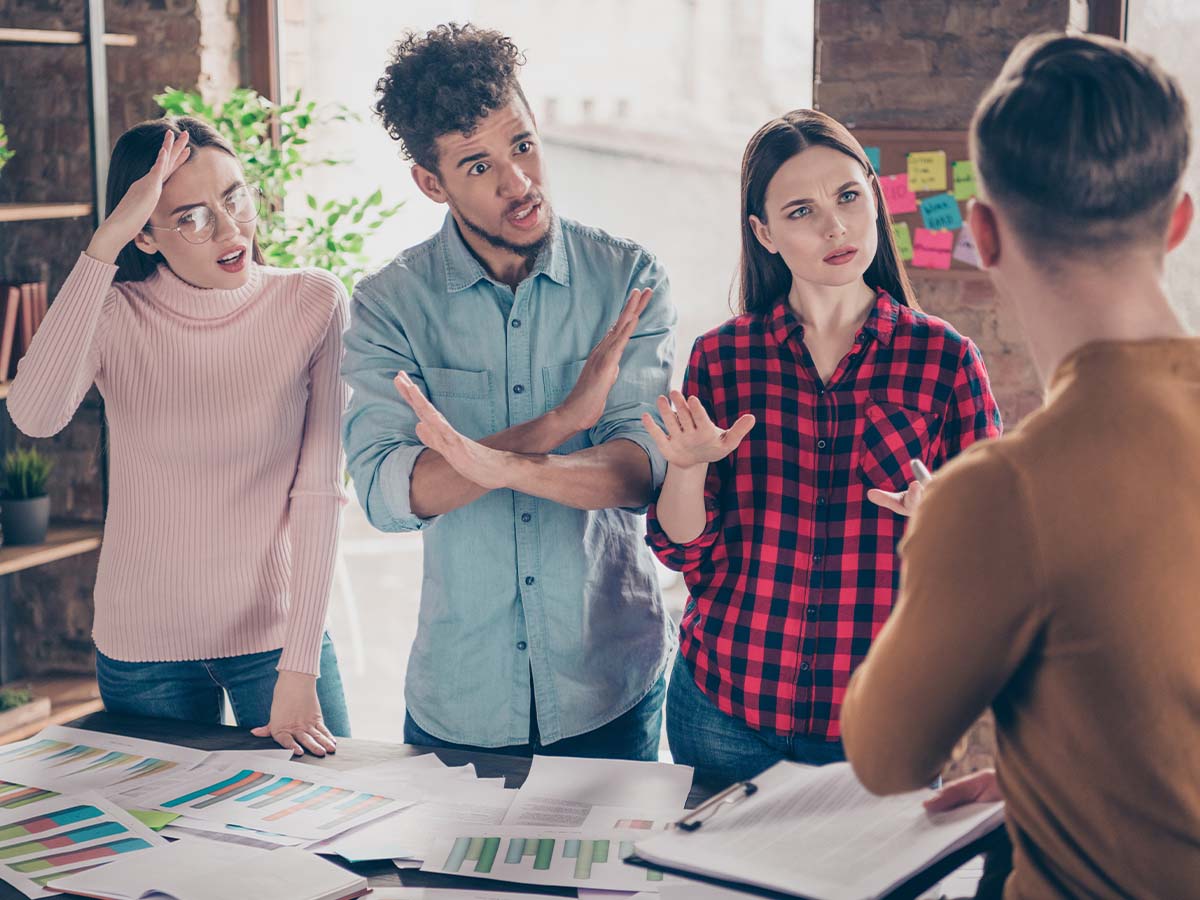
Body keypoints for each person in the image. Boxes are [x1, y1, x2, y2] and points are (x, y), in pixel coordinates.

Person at [840, 33, 1200, 898]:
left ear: (984, 234)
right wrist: (1059, 779)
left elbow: (887, 758)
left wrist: (933, 534)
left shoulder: (1001, 492)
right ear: (1180, 220)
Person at [342, 23, 675, 759]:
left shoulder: (628, 280)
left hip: (608, 685)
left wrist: (487, 466)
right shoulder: (388, 304)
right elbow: (390, 494)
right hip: (460, 696)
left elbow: (638, 472)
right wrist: (557, 423)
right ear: (432, 183)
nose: (518, 182)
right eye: (478, 165)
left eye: (522, 145)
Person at [645, 109, 1001, 786]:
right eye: (801, 210)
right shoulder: (723, 359)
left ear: (873, 196)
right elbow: (684, 549)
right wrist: (687, 471)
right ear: (764, 233)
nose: (835, 227)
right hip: (725, 711)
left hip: (882, 721)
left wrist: (944, 524)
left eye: (847, 197)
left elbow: (996, 558)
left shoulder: (945, 360)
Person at [8, 117, 351, 756]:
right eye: (190, 217)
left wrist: (300, 663)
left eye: (234, 197)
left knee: (329, 839)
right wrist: (105, 243)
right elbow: (34, 413)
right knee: (167, 849)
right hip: (144, 650)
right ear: (146, 232)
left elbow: (321, 491)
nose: (229, 229)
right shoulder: (113, 313)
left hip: (278, 643)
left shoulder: (315, 302)